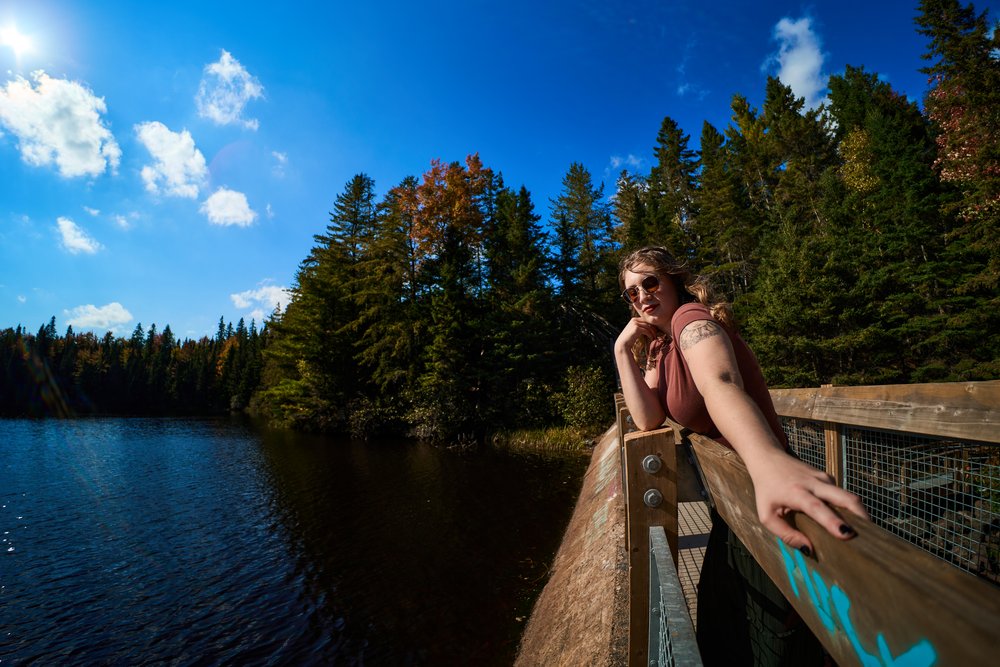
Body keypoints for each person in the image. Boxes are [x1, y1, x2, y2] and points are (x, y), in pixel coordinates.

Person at [613, 246, 869, 666]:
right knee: (719, 625)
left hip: (766, 497)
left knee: (771, 637)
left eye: (651, 282)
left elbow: (720, 382)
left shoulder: (690, 321)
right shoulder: (661, 346)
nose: (642, 295)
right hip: (731, 506)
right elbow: (646, 418)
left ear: (674, 282)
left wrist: (766, 460)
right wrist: (623, 349)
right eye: (632, 292)